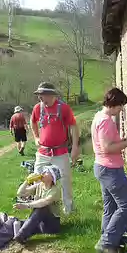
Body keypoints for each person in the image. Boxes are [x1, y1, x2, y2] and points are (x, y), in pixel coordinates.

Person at [91, 88, 127, 253]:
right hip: (110, 169)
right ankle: (107, 242)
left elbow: (108, 143)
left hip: (102, 167)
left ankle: (107, 242)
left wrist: (122, 140)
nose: (121, 110)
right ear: (114, 104)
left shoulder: (99, 117)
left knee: (110, 207)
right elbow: (107, 147)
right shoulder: (106, 121)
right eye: (120, 106)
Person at [31, 82, 80, 215]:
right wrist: (36, 137)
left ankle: (68, 209)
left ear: (51, 95)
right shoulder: (37, 108)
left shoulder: (63, 108)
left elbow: (73, 127)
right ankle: (38, 208)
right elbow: (33, 122)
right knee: (37, 177)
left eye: (43, 96)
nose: (41, 99)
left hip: (60, 152)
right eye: (39, 96)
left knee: (65, 180)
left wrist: (75, 147)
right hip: (43, 151)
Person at [13, 165, 62, 243]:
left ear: (52, 178)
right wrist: (27, 181)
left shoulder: (55, 191)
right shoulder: (39, 185)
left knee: (42, 208)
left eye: (46, 172)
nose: (42, 173)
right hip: (39, 222)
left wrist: (26, 205)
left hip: (51, 226)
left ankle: (21, 236)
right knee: (15, 222)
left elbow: (43, 202)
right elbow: (20, 193)